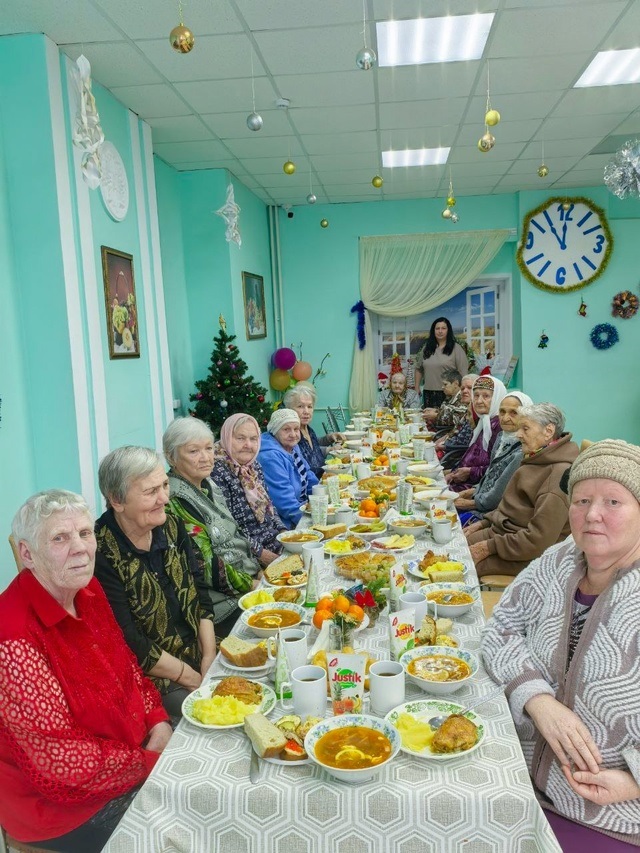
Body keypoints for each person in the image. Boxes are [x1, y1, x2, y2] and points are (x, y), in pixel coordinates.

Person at [482, 440, 640, 849]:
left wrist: (632, 781)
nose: (592, 515)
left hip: (607, 816)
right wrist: (538, 700)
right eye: (582, 499)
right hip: (514, 780)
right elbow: (500, 628)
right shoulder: (560, 560)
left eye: (613, 502)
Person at [0, 490, 172, 852]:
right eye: (60, 538)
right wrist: (149, 761)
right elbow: (61, 762)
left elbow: (127, 666)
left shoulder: (85, 587)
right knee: (179, 824)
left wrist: (157, 719)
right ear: (27, 554)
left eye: (84, 533)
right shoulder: (12, 640)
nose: (80, 548)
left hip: (129, 752)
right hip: (62, 806)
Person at [94, 446, 217, 718]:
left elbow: (200, 591)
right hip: (156, 676)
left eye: (164, 485)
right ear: (117, 499)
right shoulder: (100, 552)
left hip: (199, 650)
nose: (164, 498)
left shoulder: (171, 525)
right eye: (151, 492)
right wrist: (191, 676)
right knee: (209, 715)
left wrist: (209, 656)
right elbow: (128, 639)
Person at [163, 418, 261, 636]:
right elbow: (206, 565)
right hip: (224, 606)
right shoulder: (177, 500)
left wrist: (257, 568)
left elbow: (235, 531)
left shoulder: (208, 484)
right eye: (193, 451)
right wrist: (253, 585)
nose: (206, 458)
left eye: (208, 448)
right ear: (171, 457)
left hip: (246, 582)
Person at [466, 403, 579, 578]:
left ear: (548, 431)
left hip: (530, 555)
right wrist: (483, 523)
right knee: (453, 546)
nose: (518, 434)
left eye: (525, 429)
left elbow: (538, 541)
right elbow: (510, 509)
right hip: (504, 536)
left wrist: (488, 547)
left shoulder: (557, 475)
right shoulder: (536, 457)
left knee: (460, 568)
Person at [210, 412, 286, 565]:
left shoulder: (253, 466)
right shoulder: (216, 471)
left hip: (273, 542)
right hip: (248, 555)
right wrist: (263, 555)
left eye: (253, 439)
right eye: (240, 438)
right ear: (226, 438)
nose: (248, 445)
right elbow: (229, 529)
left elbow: (269, 506)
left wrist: (284, 533)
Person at [455, 390, 533, 520]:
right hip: (482, 499)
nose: (505, 418)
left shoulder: (522, 450)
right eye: (502, 412)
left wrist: (469, 503)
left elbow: (498, 495)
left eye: (514, 412)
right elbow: (489, 475)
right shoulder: (501, 437)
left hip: (495, 513)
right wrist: (472, 491)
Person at [258, 408, 319, 528]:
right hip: (287, 522)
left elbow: (308, 474)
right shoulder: (270, 457)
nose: (293, 434)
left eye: (296, 429)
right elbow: (285, 504)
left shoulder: (292, 446)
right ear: (275, 431)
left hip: (304, 508)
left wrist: (322, 498)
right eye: (286, 429)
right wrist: (312, 522)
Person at [445, 375, 507, 492]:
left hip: (477, 490)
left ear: (497, 398)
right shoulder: (484, 422)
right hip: (465, 482)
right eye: (476, 395)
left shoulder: (500, 426)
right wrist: (453, 474)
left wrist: (470, 472)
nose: (478, 401)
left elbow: (498, 469)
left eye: (486, 396)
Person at [283, 385, 342, 478]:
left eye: (309, 406)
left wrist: (329, 438)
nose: (306, 411)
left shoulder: (308, 429)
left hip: (324, 477)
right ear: (289, 409)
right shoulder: (292, 436)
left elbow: (312, 448)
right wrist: (329, 450)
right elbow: (306, 457)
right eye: (300, 406)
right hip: (313, 485)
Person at [414, 317, 469, 408]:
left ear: (448, 330)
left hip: (449, 393)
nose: (440, 331)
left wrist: (462, 391)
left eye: (443, 328)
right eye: (437, 328)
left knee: (445, 420)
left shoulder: (456, 348)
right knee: (429, 419)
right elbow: (418, 368)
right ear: (433, 331)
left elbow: (463, 373)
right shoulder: (426, 348)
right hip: (428, 393)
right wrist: (416, 387)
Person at [435, 372, 478, 458]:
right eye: (462, 389)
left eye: (469, 388)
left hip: (456, 455)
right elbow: (456, 431)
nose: (464, 391)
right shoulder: (468, 408)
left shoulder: (477, 414)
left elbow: (465, 443)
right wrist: (444, 439)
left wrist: (443, 445)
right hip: (450, 446)